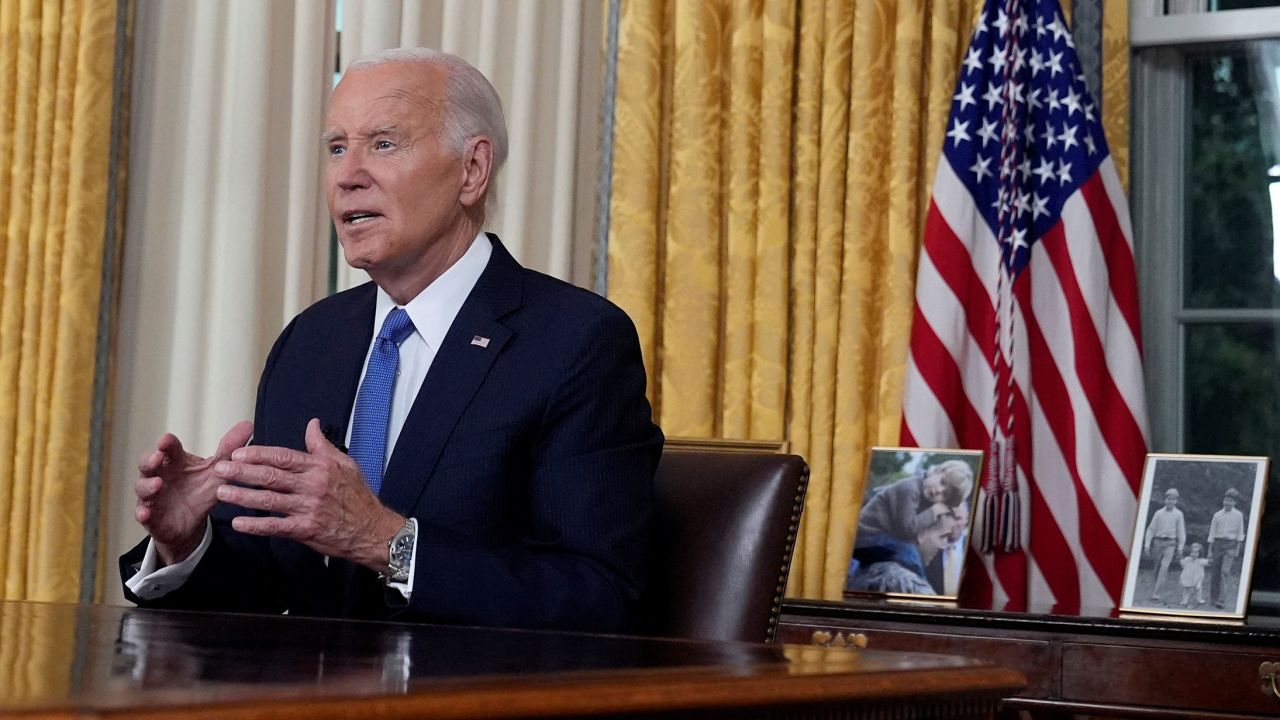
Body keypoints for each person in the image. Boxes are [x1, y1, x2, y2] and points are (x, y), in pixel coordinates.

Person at [120, 48, 663, 633]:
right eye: (336, 147)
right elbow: (271, 581)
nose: (349, 174)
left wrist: (388, 543)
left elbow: (601, 598)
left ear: (471, 170)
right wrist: (188, 544)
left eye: (382, 143)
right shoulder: (313, 340)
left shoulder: (574, 342)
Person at [847, 504, 968, 596]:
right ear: (921, 534)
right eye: (942, 536)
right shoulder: (906, 582)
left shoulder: (870, 566)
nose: (945, 546)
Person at [856, 460, 974, 545]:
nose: (938, 490)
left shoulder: (926, 498)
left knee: (911, 555)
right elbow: (906, 530)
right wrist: (933, 511)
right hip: (867, 533)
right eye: (942, 482)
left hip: (881, 538)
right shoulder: (911, 488)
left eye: (945, 494)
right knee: (907, 555)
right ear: (936, 471)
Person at [1143, 487, 1185, 603]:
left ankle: (1156, 593)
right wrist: (1147, 544)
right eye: (1168, 499)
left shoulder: (1178, 514)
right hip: (1158, 542)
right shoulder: (1158, 513)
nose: (1170, 501)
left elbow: (1181, 532)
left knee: (1164, 567)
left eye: (1173, 499)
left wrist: (1180, 547)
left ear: (1176, 501)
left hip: (1170, 543)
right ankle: (1157, 587)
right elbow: (1151, 529)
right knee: (1156, 568)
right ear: (1165, 500)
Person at [1208, 487, 1246, 609]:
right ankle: (1213, 598)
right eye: (1226, 500)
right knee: (1215, 573)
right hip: (1218, 545)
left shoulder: (1238, 515)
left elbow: (1240, 533)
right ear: (1223, 500)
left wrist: (1237, 549)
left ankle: (1222, 600)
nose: (1228, 502)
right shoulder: (1217, 515)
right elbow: (1212, 534)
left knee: (1225, 572)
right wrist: (1209, 551)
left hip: (1230, 545)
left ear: (1235, 502)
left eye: (1230, 500)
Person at [1178, 542, 1209, 608]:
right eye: (1192, 552)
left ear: (1199, 553)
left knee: (1198, 588)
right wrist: (1180, 559)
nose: (1194, 554)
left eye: (1196, 553)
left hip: (1198, 578)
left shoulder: (1201, 561)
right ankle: (1184, 600)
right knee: (1186, 589)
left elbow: (1209, 562)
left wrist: (1210, 557)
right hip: (1188, 577)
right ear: (1190, 552)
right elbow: (1183, 565)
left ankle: (1199, 599)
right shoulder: (1187, 559)